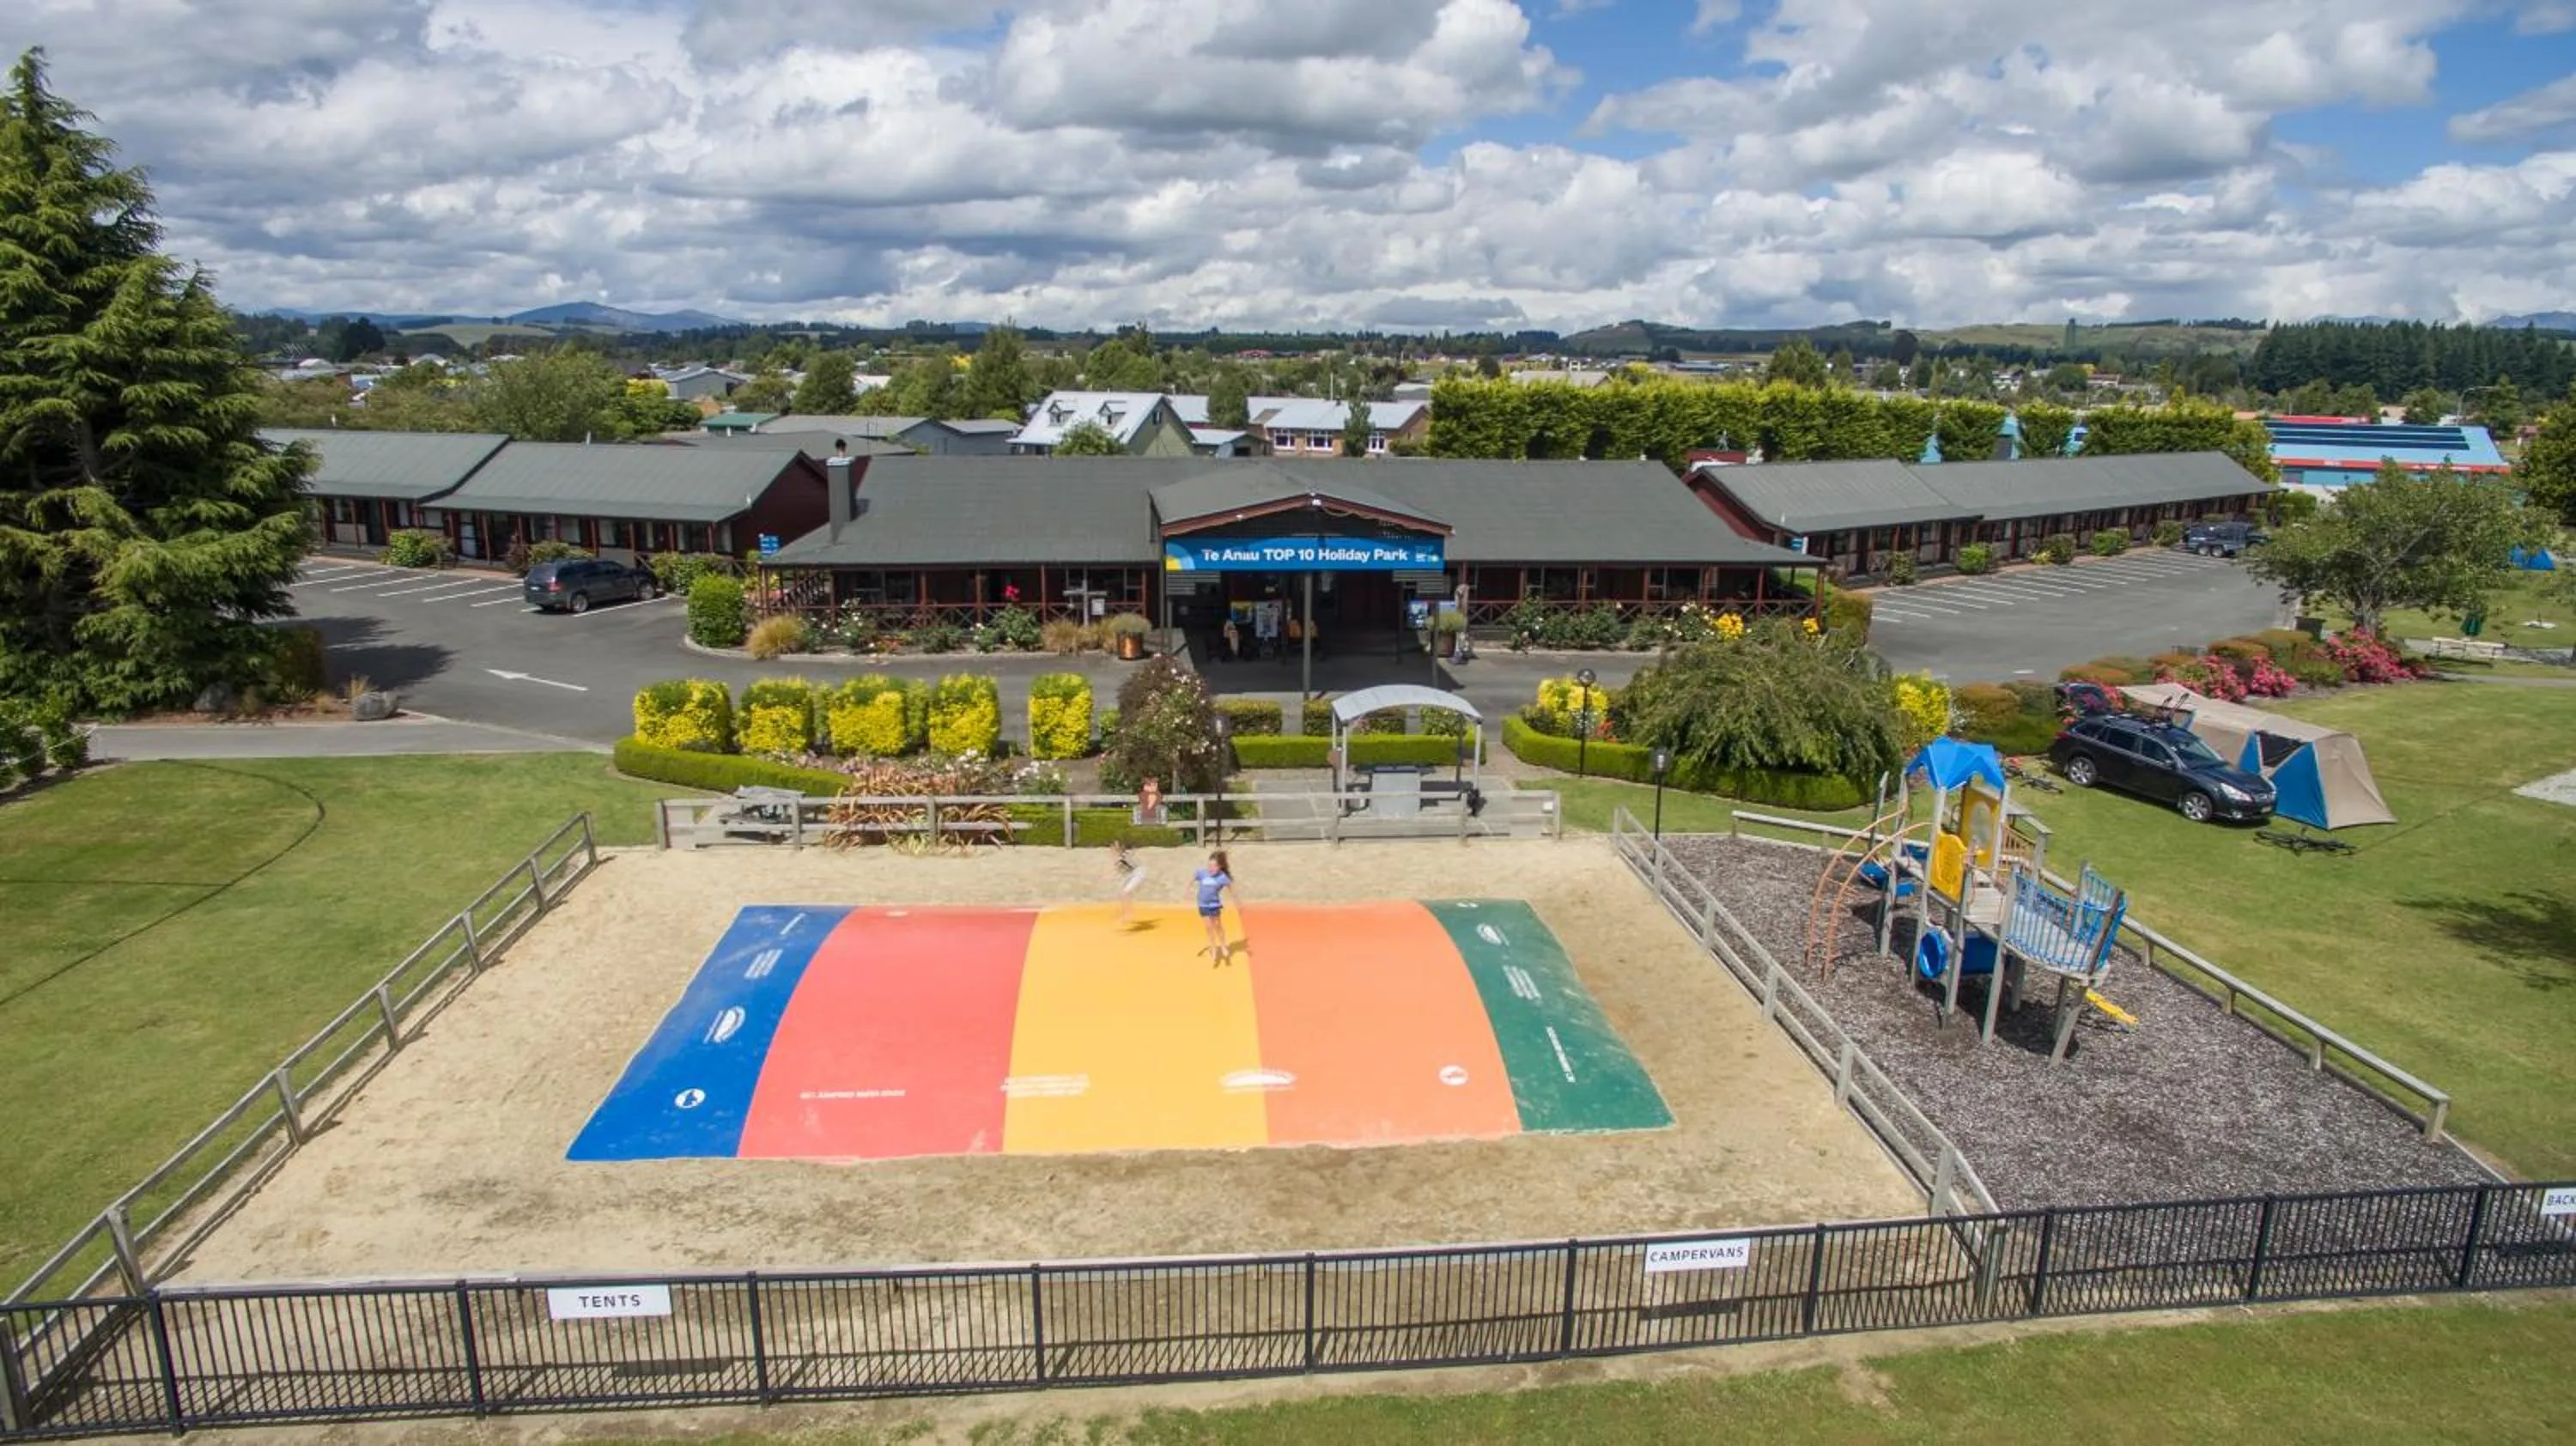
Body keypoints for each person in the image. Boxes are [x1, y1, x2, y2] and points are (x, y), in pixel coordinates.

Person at [1192, 849, 1238, 961]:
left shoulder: (1222, 877)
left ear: (1220, 867)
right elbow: (1193, 879)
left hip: (1214, 905)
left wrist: (1235, 899)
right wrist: (1188, 890)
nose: (1211, 868)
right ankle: (1213, 948)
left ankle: (1222, 945)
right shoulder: (1202, 873)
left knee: (1217, 926)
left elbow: (1231, 888)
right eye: (1209, 865)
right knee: (1208, 928)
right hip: (1203, 904)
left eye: (1214, 866)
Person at [1109, 839, 1147, 925]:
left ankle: (1128, 913)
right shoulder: (1121, 857)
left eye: (1115, 846)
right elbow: (1122, 870)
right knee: (1122, 893)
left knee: (1124, 893)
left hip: (1138, 872)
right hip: (1132, 873)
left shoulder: (1124, 856)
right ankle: (1126, 912)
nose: (1113, 848)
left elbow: (1123, 863)